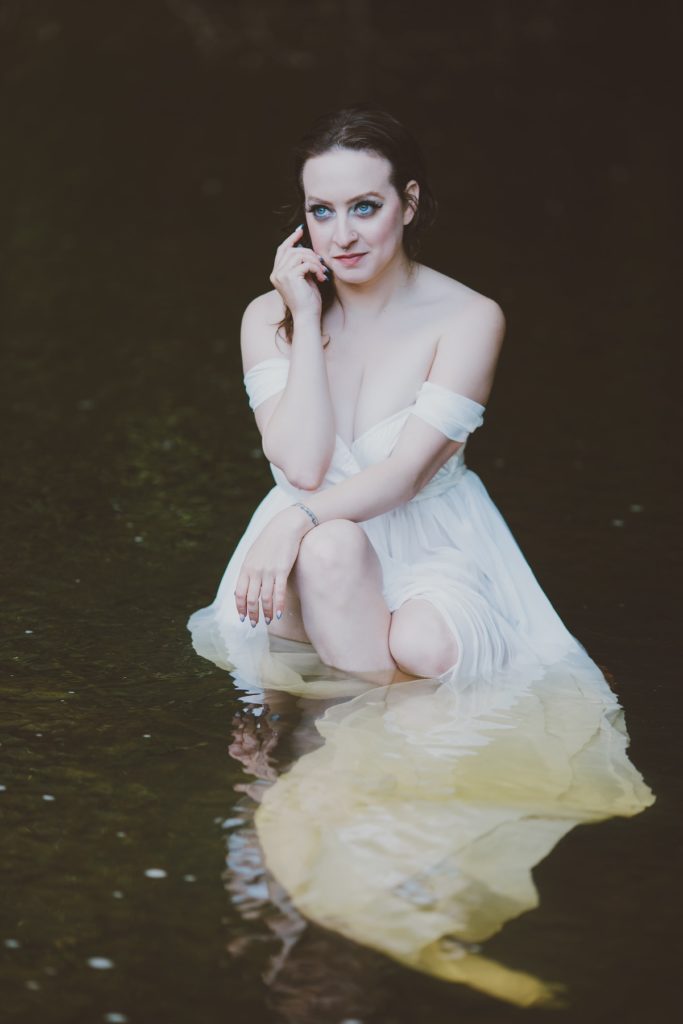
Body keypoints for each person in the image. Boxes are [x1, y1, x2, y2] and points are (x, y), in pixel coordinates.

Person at [187, 103, 585, 694]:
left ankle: (367, 740)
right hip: (311, 548)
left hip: (428, 542)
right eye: (321, 211)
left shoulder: (469, 317)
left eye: (365, 208)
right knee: (331, 549)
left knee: (424, 645)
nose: (341, 236)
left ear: (410, 203)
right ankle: (354, 743)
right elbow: (302, 466)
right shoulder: (268, 316)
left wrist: (295, 520)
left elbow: (404, 475)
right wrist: (304, 317)